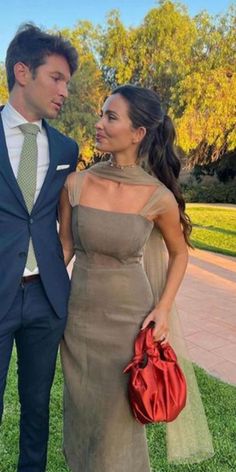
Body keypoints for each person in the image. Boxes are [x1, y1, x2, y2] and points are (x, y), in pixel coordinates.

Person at [59, 85, 214, 472]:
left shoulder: (157, 197)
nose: (98, 124)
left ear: (138, 133)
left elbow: (179, 253)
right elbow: (63, 249)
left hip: (129, 324)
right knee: (81, 418)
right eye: (101, 113)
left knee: (117, 427)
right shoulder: (76, 184)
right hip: (77, 321)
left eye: (111, 116)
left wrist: (163, 308)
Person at [0, 24, 78, 472]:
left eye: (67, 82)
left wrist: (51, 268)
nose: (64, 90)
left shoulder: (67, 147)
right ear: (23, 72)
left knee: (36, 408)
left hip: (46, 300)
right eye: (56, 78)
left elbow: (62, 225)